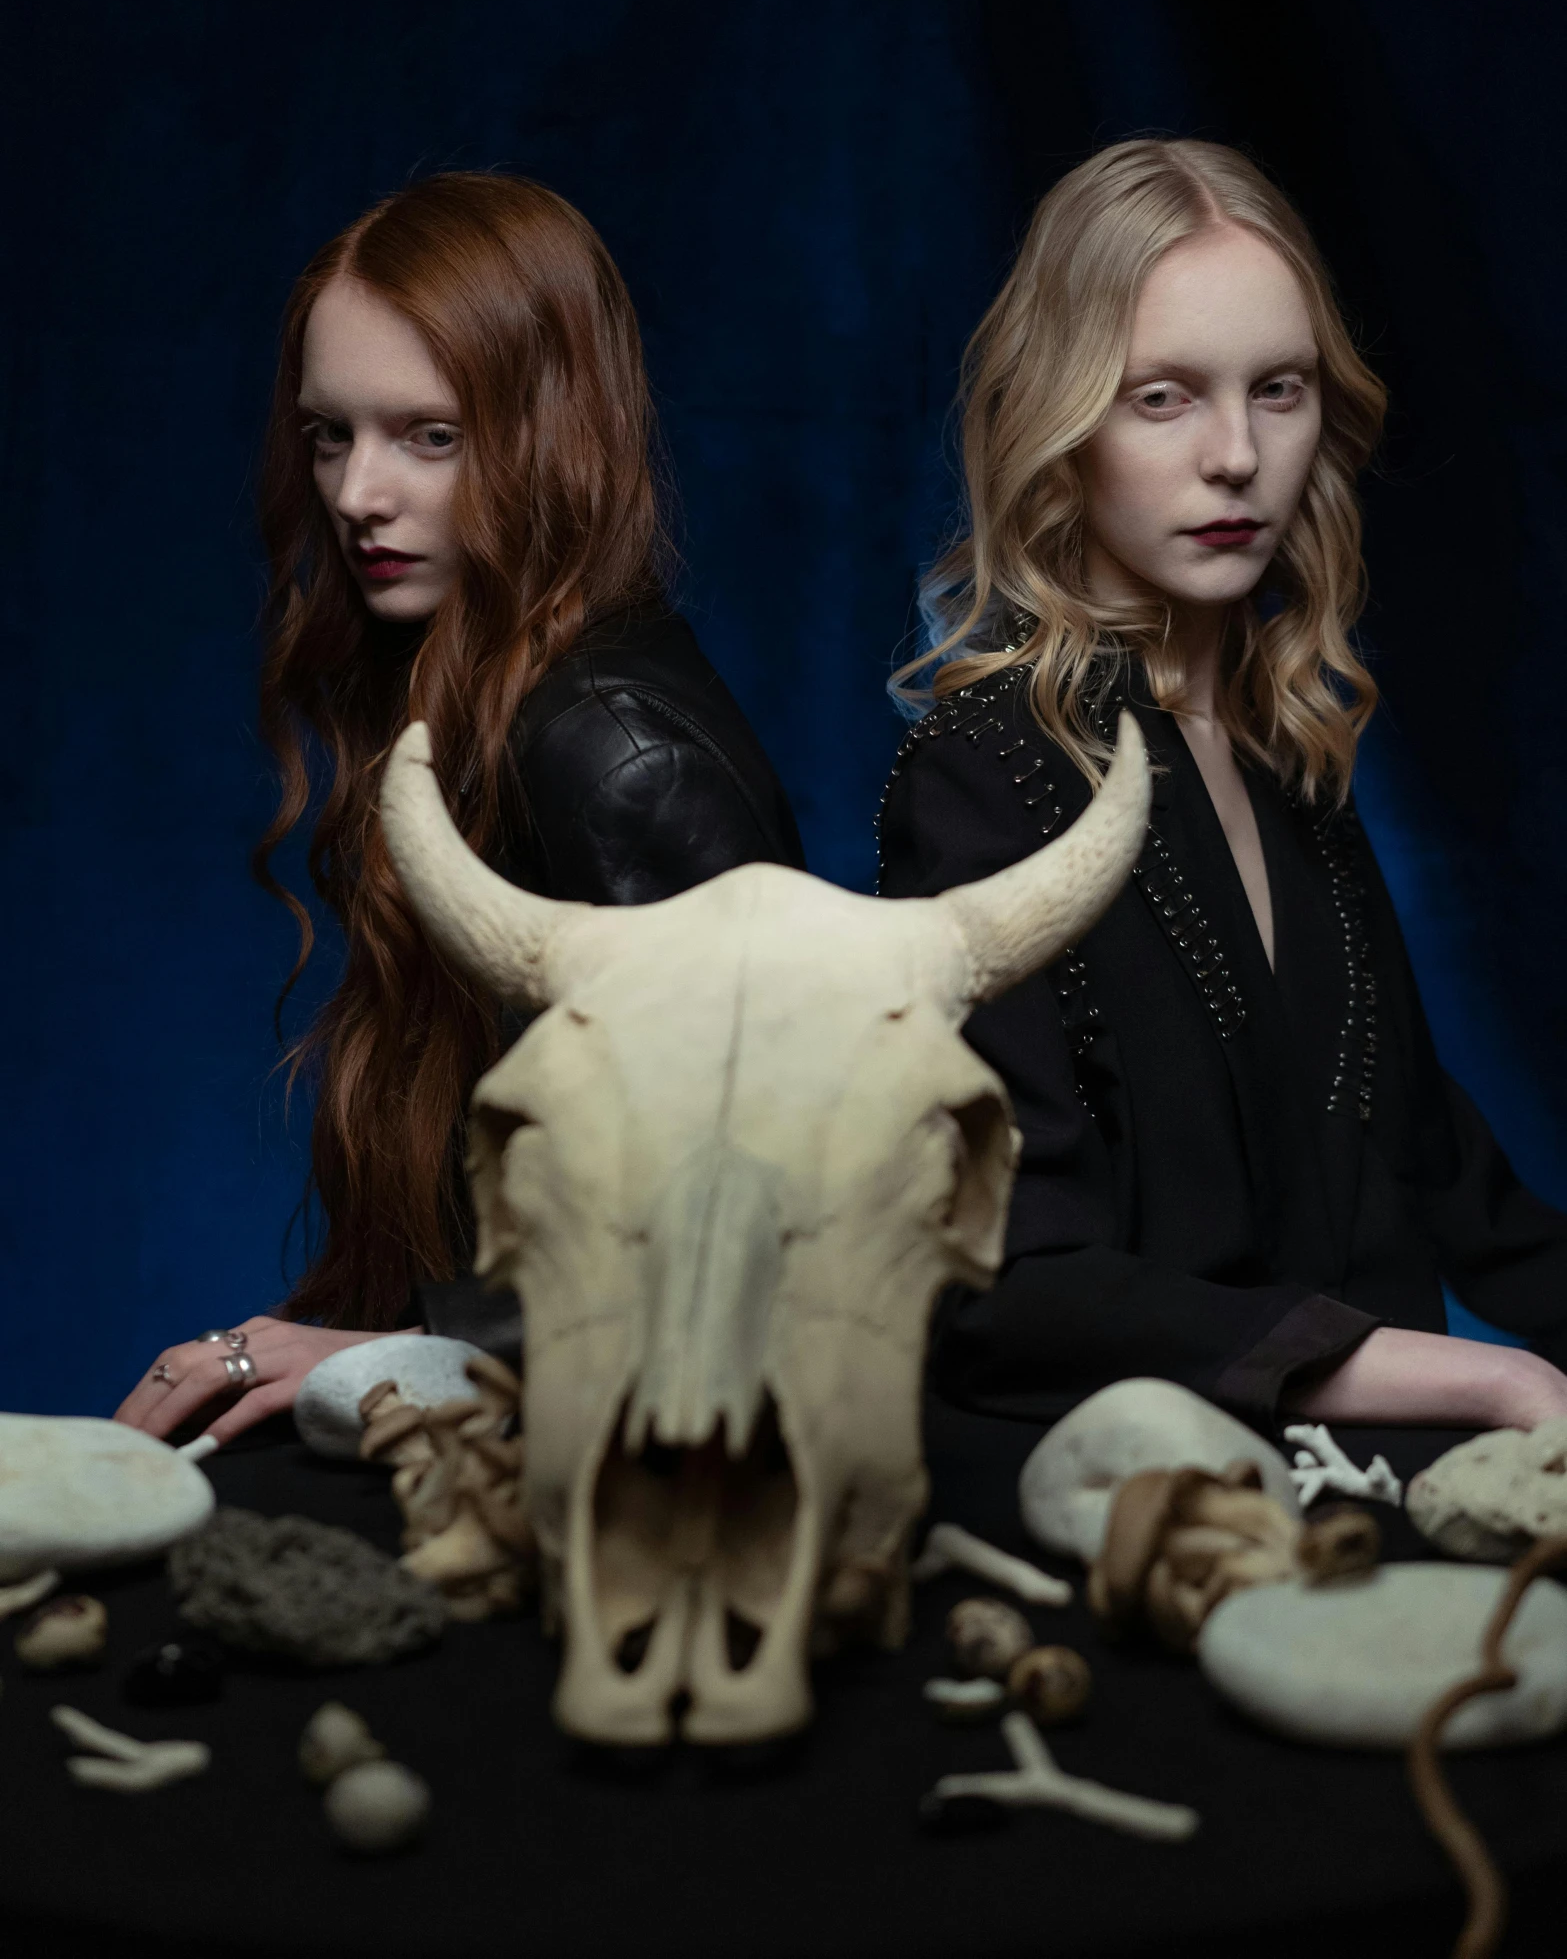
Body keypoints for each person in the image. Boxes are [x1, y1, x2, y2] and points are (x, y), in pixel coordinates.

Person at [880, 137, 1567, 1433]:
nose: (1236, 455)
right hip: (1153, 1524)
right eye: (1161, 396)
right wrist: (1488, 1375)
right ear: (1060, 416)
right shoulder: (982, 784)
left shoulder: (1280, 747)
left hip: (1364, 1511)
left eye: (1278, 389)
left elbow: (1442, 1175)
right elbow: (1012, 1285)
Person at [116, 172, 802, 1445]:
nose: (358, 494)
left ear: (557, 433)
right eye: (332, 433)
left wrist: (395, 1352)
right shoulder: (480, 697)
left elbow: (749, 1273)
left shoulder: (616, 756)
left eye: (429, 436)